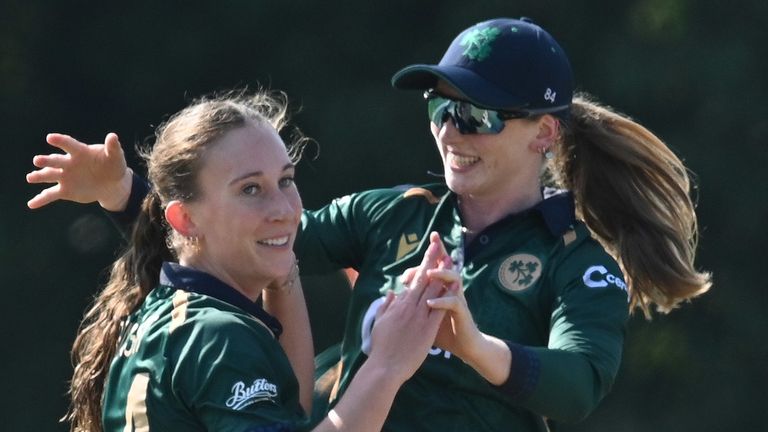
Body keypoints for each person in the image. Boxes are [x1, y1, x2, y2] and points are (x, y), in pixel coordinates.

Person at [27, 18, 712, 431]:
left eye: (476, 115)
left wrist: (471, 343)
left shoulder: (575, 258)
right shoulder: (392, 215)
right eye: (439, 109)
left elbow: (579, 385)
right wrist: (125, 193)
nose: (450, 130)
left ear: (543, 134)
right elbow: (249, 240)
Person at [35, 91, 449, 432]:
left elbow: (294, 411)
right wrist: (386, 367)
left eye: (286, 180)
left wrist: (278, 259)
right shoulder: (216, 335)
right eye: (251, 189)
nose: (285, 208)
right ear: (184, 219)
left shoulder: (180, 315)